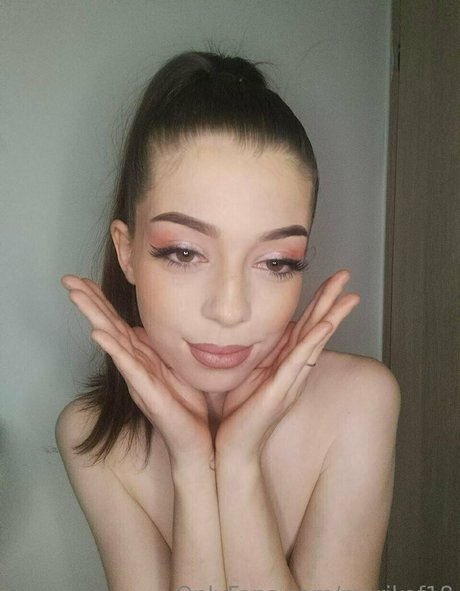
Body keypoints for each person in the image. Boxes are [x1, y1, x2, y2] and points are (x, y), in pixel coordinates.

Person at [55, 48, 401, 591]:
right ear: (127, 253)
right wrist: (193, 466)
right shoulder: (94, 437)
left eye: (276, 262)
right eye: (184, 252)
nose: (230, 309)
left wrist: (239, 465)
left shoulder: (359, 402)